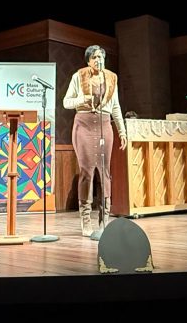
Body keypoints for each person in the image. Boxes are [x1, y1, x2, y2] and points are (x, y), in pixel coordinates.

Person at [63, 45, 127, 237]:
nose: (99, 61)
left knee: (105, 172)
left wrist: (122, 131)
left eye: (101, 57)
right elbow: (66, 102)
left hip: (104, 124)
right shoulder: (79, 76)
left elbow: (115, 107)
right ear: (88, 60)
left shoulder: (111, 78)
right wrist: (81, 99)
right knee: (87, 172)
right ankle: (85, 220)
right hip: (84, 124)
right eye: (95, 57)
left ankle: (105, 219)